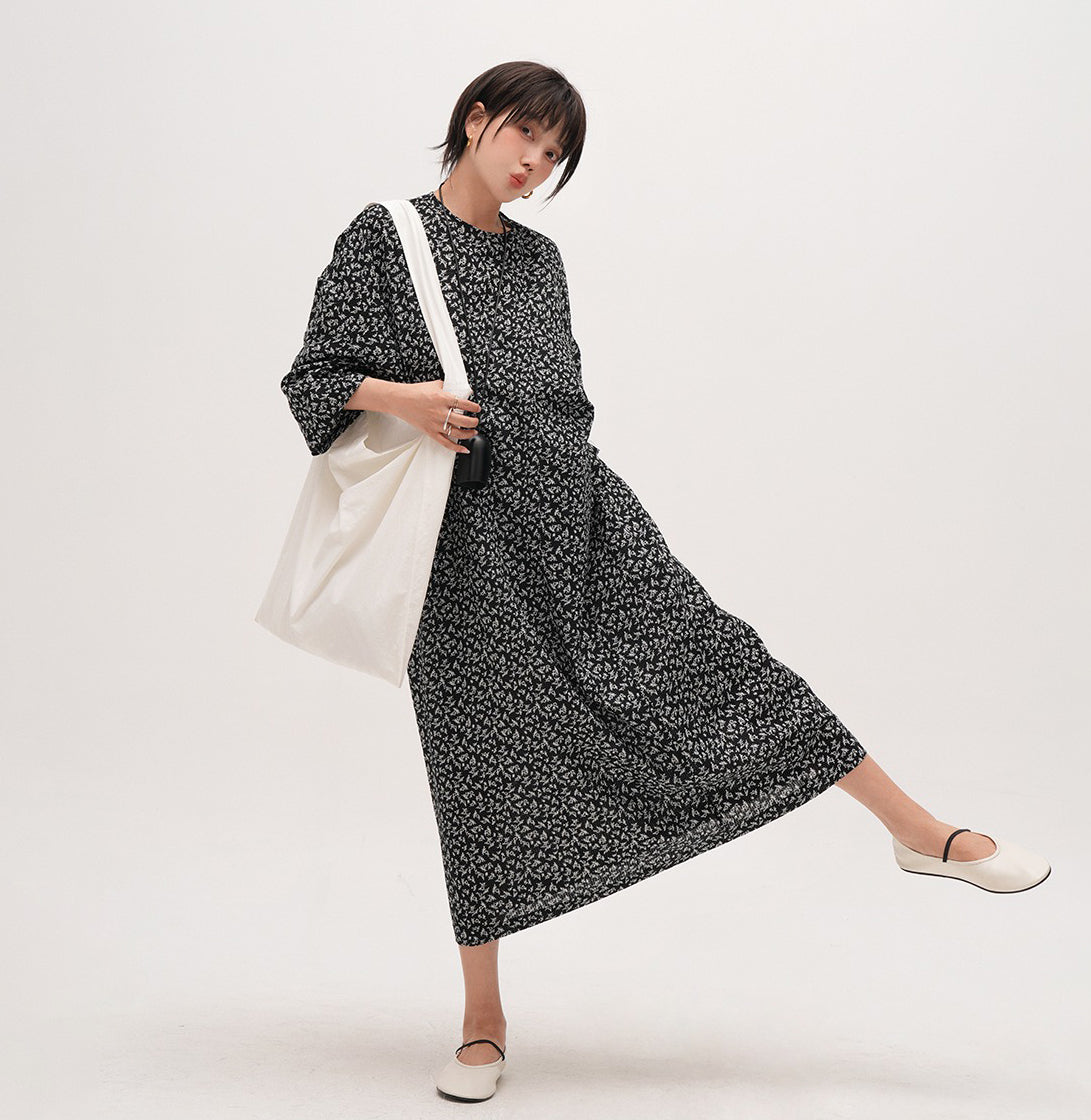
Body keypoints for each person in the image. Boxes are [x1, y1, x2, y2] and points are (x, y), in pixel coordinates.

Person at [277, 60, 1051, 1104]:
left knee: (723, 660)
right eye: (526, 138)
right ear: (477, 119)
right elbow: (314, 377)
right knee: (481, 765)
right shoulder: (388, 236)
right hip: (463, 551)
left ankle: (919, 833)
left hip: (583, 516)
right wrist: (407, 400)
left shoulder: (539, 259)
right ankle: (482, 1021)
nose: (535, 164)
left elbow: (564, 397)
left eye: (554, 154)